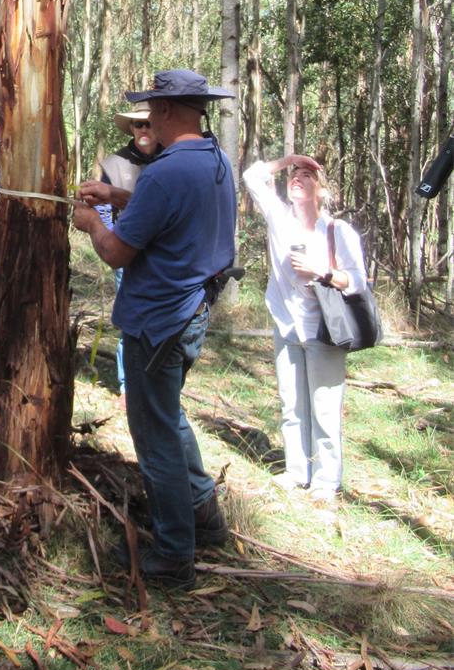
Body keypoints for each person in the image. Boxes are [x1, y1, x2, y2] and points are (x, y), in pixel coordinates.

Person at [74, 69, 237, 590]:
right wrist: (115, 197)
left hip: (159, 320)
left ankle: (172, 554)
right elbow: (166, 211)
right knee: (171, 419)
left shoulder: (166, 173)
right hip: (191, 314)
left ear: (166, 112)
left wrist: (92, 221)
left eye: (151, 112)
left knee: (156, 437)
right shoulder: (213, 161)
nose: (148, 121)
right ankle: (203, 515)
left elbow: (117, 251)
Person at [243, 154, 367, 501]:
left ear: (321, 190)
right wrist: (287, 160)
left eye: (307, 175)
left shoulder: (337, 231)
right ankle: (297, 471)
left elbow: (357, 281)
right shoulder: (280, 220)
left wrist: (321, 271)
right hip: (286, 325)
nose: (297, 178)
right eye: (294, 175)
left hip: (323, 328)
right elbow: (253, 177)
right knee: (291, 403)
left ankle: (326, 481)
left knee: (324, 407)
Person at [97, 104, 159, 402]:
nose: (144, 130)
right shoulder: (115, 163)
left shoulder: (170, 160)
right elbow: (102, 206)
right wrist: (111, 241)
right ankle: (127, 385)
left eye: (148, 124)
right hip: (127, 250)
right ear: (131, 130)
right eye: (138, 126)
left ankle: (155, 381)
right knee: (130, 316)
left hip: (162, 254)